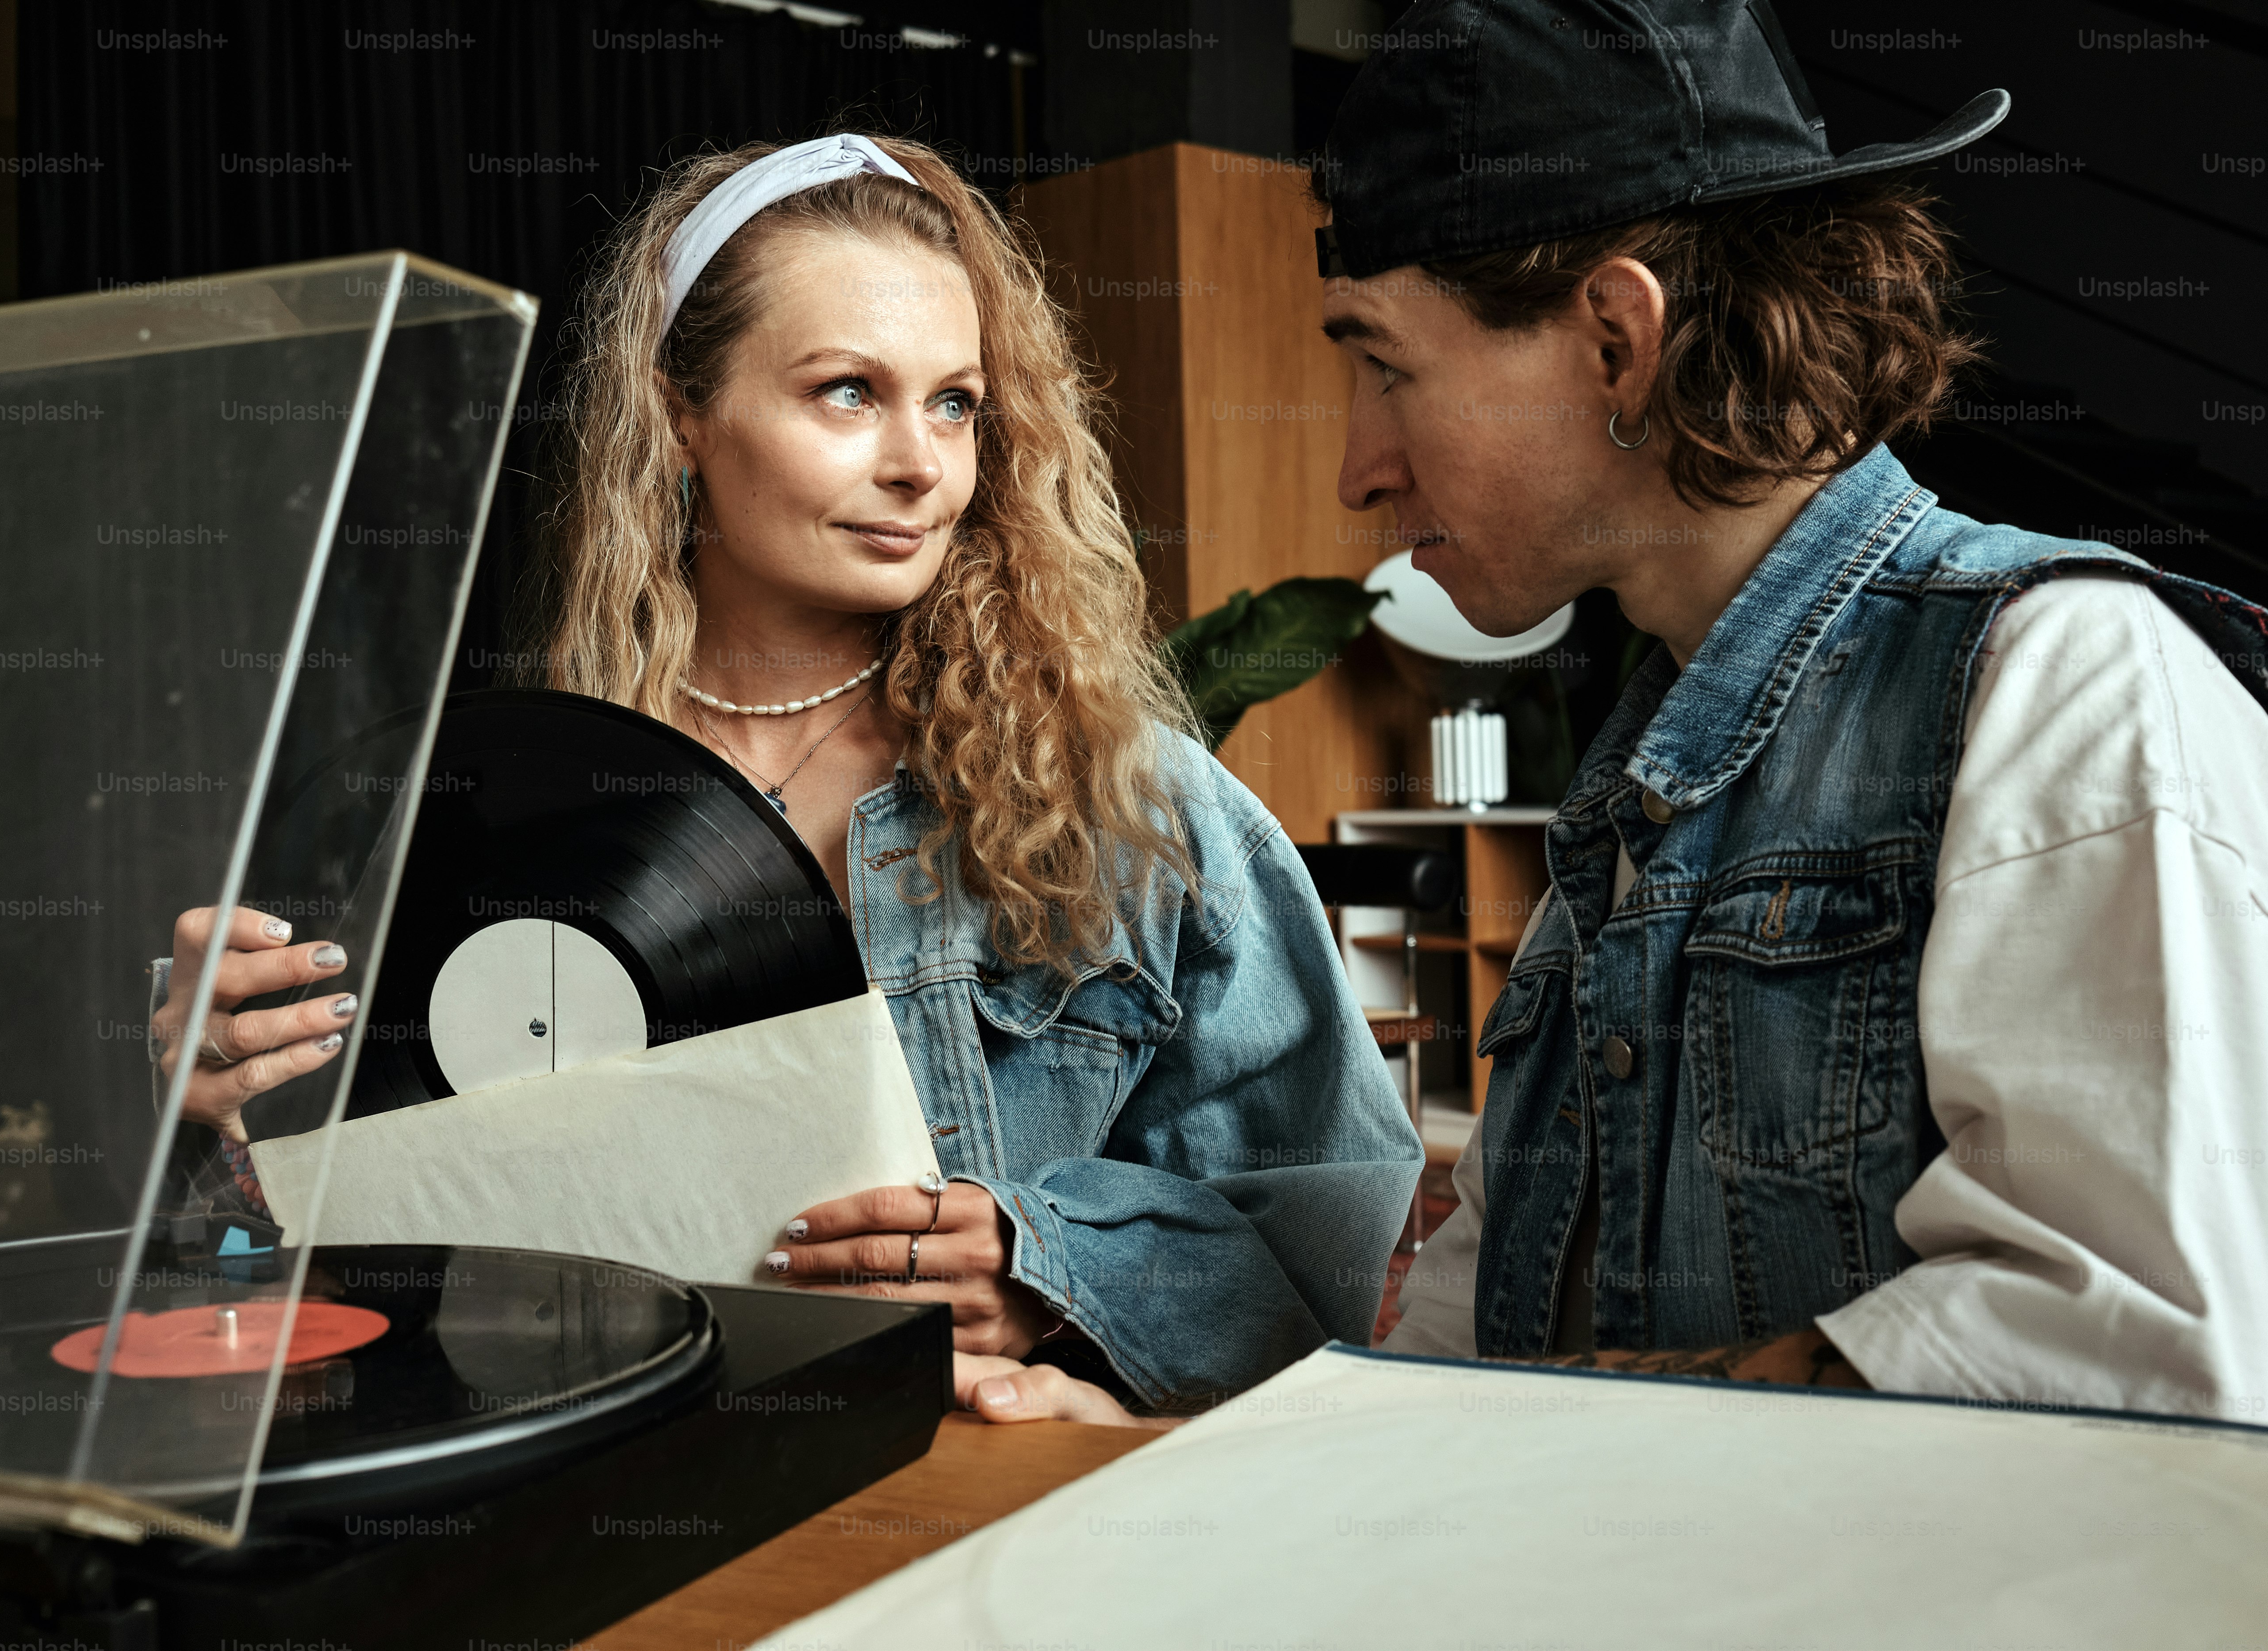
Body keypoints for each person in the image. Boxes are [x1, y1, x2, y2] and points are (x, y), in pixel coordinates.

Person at [950, 1, 2268, 1425]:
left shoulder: (2068, 682)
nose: (1356, 465)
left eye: (1385, 364)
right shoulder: (1642, 783)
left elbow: (2132, 1362)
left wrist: (1547, 1432)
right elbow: (1466, 1357)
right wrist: (1168, 1449)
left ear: (1617, 343)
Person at [156, 133, 1422, 1419]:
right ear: (680, 416)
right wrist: (224, 1131)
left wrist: (1055, 1272)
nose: (921, 464)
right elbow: (321, 1306)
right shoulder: (494, 818)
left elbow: (1324, 1249)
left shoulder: (1138, 807)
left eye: (956, 402)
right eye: (846, 393)